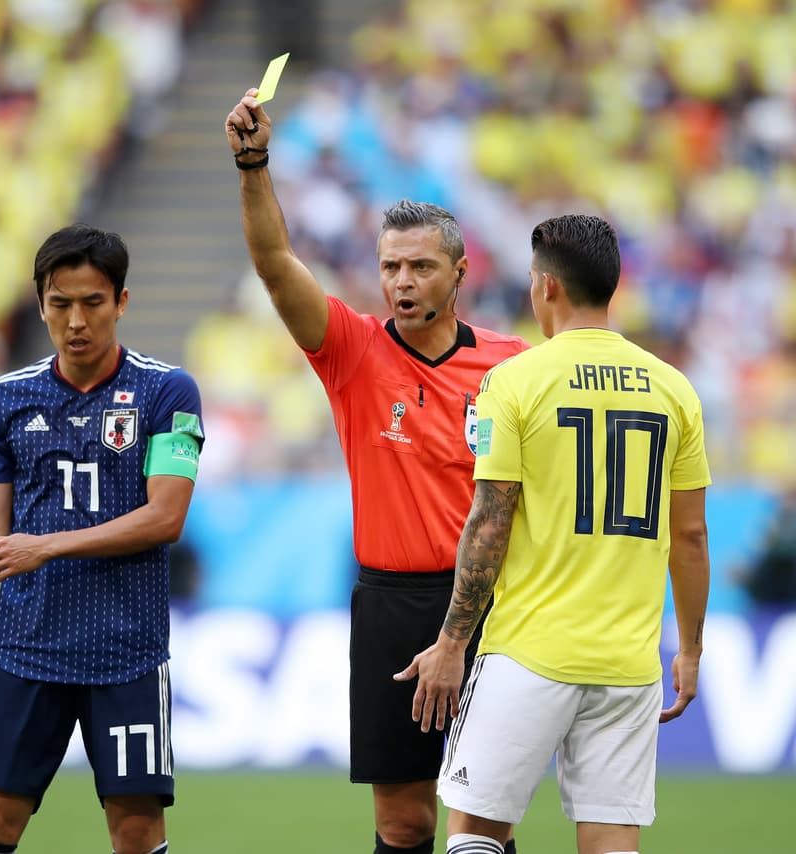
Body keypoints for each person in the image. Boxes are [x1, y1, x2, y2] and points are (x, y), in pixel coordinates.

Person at [224, 90, 528, 854]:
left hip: (493, 605)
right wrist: (254, 165)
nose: (402, 281)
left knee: (482, 818)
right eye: (391, 266)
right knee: (404, 822)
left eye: (421, 267)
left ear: (459, 273)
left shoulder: (514, 366)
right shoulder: (352, 352)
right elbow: (271, 263)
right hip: (390, 606)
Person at [396, 214, 712, 854]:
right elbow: (692, 537)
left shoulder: (513, 382)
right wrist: (691, 650)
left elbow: (489, 520)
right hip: (627, 662)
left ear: (545, 288)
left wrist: (453, 640)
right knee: (609, 839)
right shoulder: (675, 391)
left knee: (474, 833)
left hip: (528, 651)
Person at [0, 224, 204, 854]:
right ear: (40, 305)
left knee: (135, 829)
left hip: (127, 651)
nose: (76, 320)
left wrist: (46, 545)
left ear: (122, 303)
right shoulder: (4, 398)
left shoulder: (166, 391)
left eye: (92, 303)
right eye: (61, 304)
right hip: (27, 648)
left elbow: (166, 518)